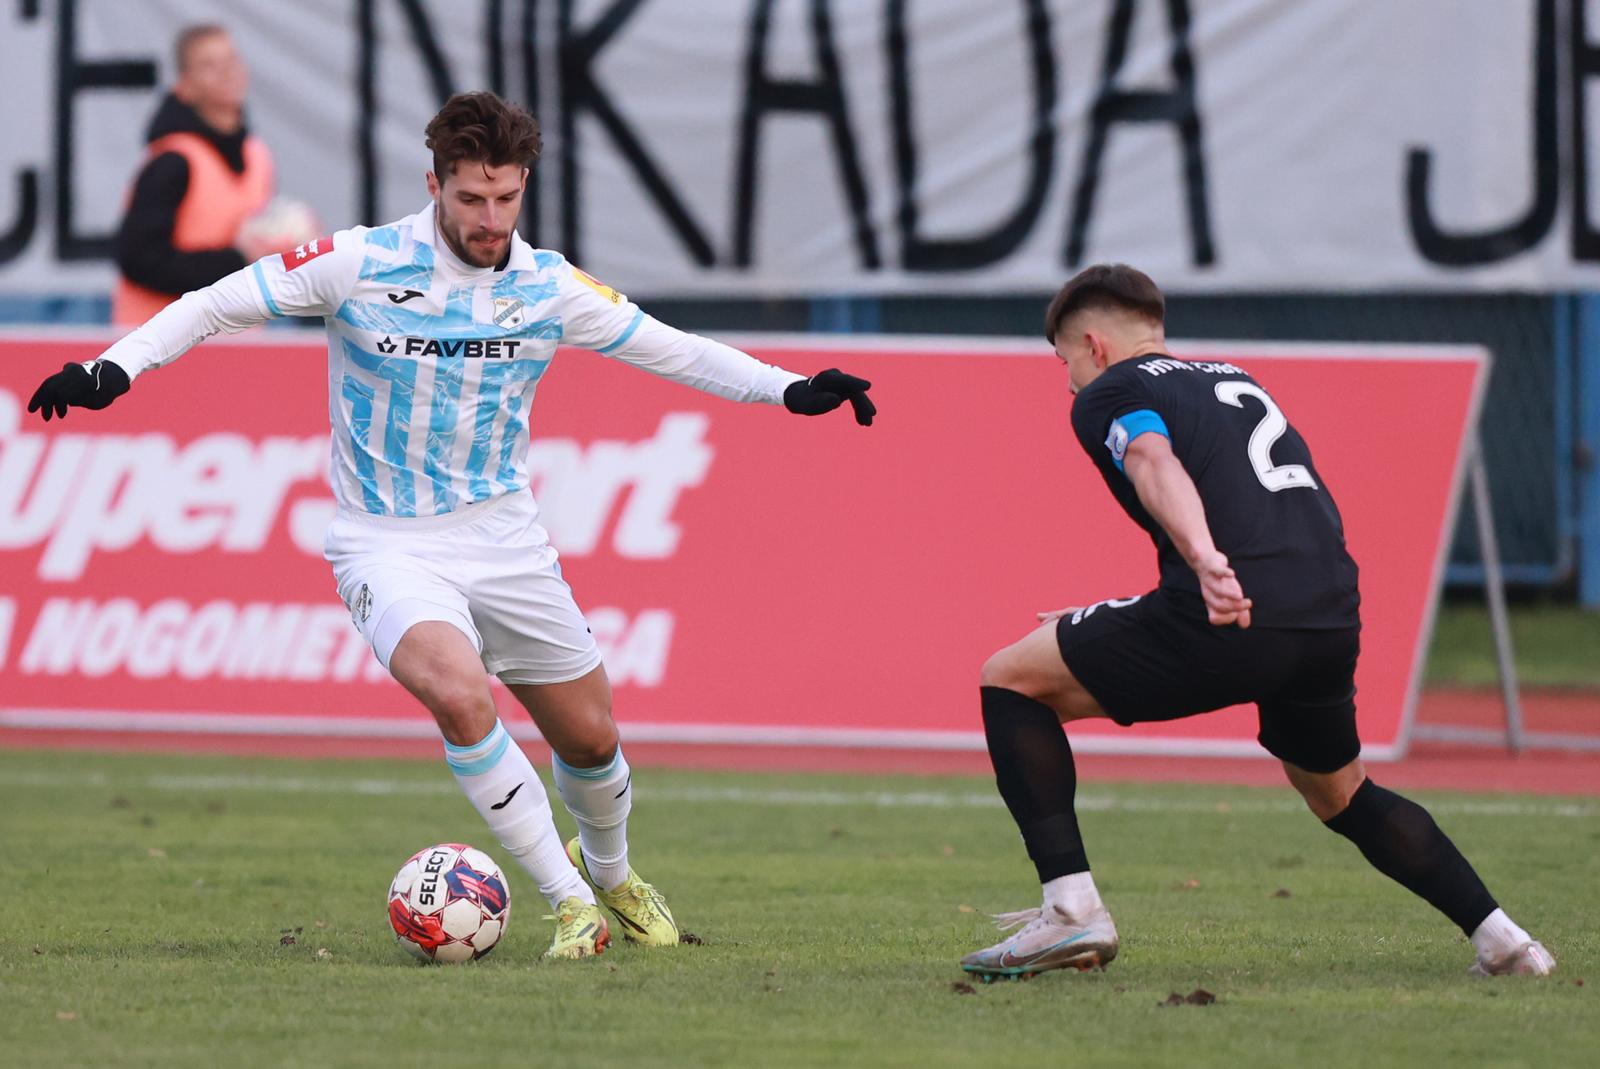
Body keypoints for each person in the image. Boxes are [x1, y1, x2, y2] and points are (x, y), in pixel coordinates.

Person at [29, 90, 876, 961]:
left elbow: (675, 348)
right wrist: (111, 369)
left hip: (506, 537)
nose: (489, 217)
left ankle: (614, 874)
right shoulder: (358, 263)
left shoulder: (547, 286)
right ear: (434, 183)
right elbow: (214, 303)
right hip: (386, 540)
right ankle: (570, 902)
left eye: (506, 197)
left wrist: (789, 389)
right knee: (461, 695)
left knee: (591, 737)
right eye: (471, 198)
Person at [959, 263, 1552, 981]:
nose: (1069, 380)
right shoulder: (1233, 380)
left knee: (1010, 680)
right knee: (1341, 792)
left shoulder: (1113, 390)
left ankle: (1070, 908)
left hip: (1230, 603)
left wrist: (1206, 560)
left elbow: (1150, 456)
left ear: (1095, 343)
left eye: (1065, 362)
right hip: (1327, 610)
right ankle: (1505, 940)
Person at [113, 24, 275, 326]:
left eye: (231, 61)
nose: (226, 73)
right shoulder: (173, 161)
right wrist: (238, 262)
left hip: (232, 342)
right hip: (157, 343)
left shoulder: (257, 155)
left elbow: (253, 233)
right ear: (185, 85)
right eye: (209, 65)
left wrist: (285, 244)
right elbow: (139, 259)